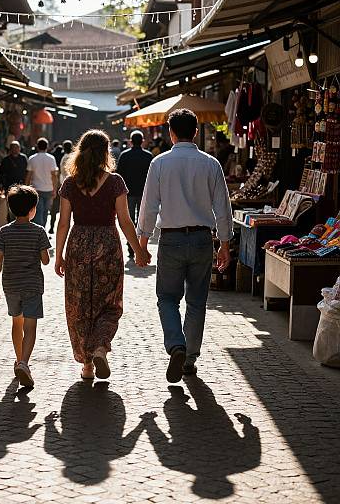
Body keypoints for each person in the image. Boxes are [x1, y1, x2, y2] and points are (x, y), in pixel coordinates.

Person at [137, 109, 233, 384]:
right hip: (203, 240)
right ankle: (189, 359)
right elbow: (222, 208)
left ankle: (176, 345)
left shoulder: (160, 163)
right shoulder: (211, 163)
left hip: (171, 239)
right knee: (196, 301)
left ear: (171, 132)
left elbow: (149, 206)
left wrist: (142, 243)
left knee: (167, 298)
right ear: (195, 132)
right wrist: (224, 244)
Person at [55, 130, 150, 381]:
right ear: (106, 152)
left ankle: (87, 365)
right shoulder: (115, 182)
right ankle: (100, 346)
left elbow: (63, 223)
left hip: (78, 245)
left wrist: (59, 255)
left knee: (79, 305)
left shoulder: (69, 183)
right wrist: (138, 251)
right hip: (108, 245)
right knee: (109, 302)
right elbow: (125, 221)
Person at [0, 185, 51, 388]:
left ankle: (19, 361)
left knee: (16, 324)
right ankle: (24, 362)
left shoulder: (4, 232)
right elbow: (45, 260)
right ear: (33, 209)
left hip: (10, 285)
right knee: (30, 327)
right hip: (32, 285)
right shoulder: (39, 232)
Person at [116, 130, 153, 258]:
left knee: (129, 219)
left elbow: (119, 174)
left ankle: (131, 245)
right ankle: (140, 245)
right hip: (144, 191)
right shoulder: (148, 156)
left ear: (131, 141)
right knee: (142, 219)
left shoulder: (124, 155)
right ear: (142, 141)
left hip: (128, 192)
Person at [26, 137, 58, 228]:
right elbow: (54, 175)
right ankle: (42, 230)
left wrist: (26, 187)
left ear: (37, 147)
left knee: (38, 211)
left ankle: (40, 231)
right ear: (47, 147)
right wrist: (54, 189)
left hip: (36, 189)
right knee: (45, 211)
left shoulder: (32, 158)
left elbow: (29, 175)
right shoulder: (51, 158)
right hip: (48, 189)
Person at [49, 139, 73, 234]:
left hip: (61, 184)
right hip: (70, 186)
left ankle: (52, 226)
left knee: (56, 208)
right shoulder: (72, 158)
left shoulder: (61, 157)